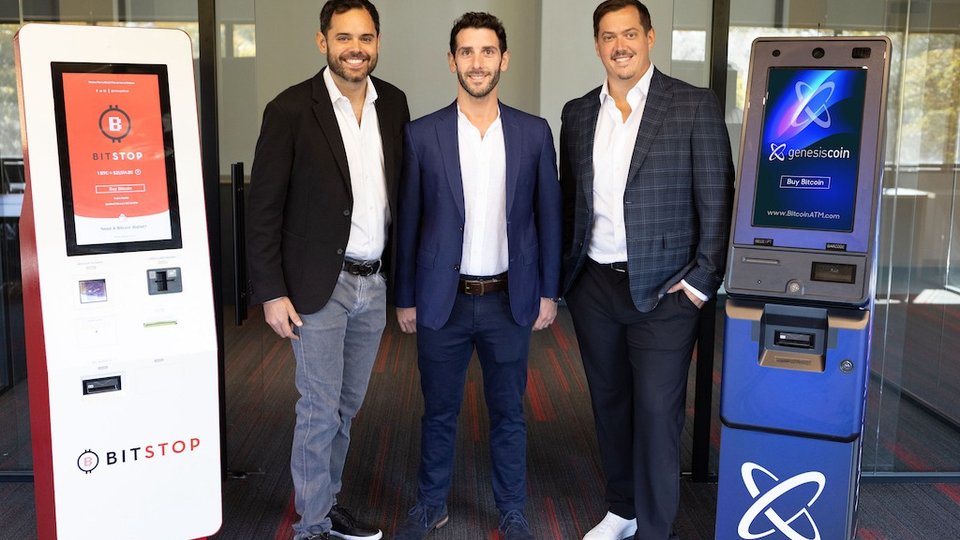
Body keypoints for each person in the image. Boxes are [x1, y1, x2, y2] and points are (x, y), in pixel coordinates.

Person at [559, 1, 734, 539]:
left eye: (630, 33)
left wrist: (703, 284)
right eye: (609, 36)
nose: (620, 45)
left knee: (658, 416)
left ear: (650, 38)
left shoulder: (692, 105)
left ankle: (656, 528)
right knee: (610, 404)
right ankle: (622, 510)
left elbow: (717, 199)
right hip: (594, 286)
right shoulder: (578, 112)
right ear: (597, 45)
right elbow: (573, 202)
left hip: (666, 293)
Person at [392, 11, 562, 540]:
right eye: (466, 52)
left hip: (509, 299)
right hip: (442, 299)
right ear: (451, 61)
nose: (477, 62)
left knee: (509, 414)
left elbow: (550, 218)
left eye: (487, 51)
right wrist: (404, 297)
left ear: (503, 60)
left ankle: (512, 510)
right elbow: (409, 221)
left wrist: (549, 291)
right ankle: (430, 504)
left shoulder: (534, 134)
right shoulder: (422, 135)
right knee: (438, 412)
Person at [245, 1, 409, 539]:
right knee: (319, 408)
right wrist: (270, 290)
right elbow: (263, 207)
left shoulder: (394, 105)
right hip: (318, 286)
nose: (354, 48)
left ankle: (327, 501)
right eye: (343, 37)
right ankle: (311, 526)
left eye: (364, 37)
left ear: (378, 42)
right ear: (323, 42)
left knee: (346, 406)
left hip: (374, 282)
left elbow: (399, 197)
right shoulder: (291, 108)